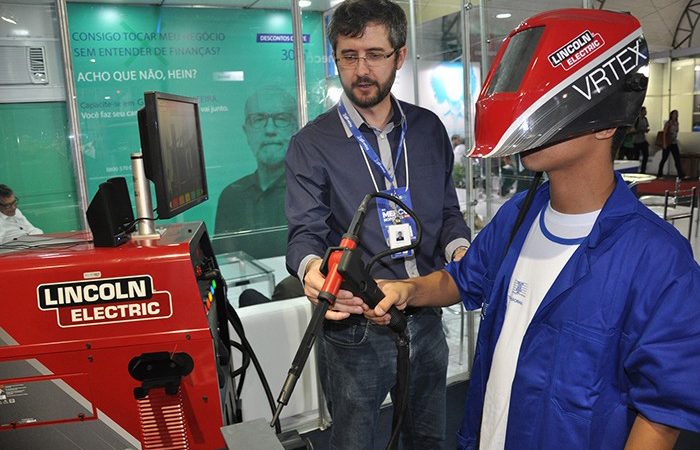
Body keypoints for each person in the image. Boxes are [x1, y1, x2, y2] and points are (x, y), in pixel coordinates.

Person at [371, 10, 700, 450]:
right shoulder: (518, 216)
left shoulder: (660, 261)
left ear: (605, 123)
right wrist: (407, 290)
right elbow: (463, 279)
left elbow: (661, 412)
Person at [285, 1, 471, 448]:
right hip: (356, 329)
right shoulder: (312, 144)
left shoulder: (428, 130)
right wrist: (312, 272)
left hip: (426, 315)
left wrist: (462, 252)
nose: (361, 70)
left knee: (427, 438)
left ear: (400, 56)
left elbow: (448, 214)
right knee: (355, 442)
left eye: (374, 54)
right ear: (335, 58)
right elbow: (304, 234)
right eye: (349, 56)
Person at [215, 87, 296, 257]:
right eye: (258, 119)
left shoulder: (311, 192)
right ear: (246, 132)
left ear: (295, 128)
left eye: (281, 118)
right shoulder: (231, 197)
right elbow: (225, 264)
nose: (270, 130)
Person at [657, 109, 686, 178]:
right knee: (664, 158)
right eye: (675, 114)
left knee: (677, 158)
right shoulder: (668, 123)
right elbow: (664, 133)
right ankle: (659, 173)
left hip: (674, 142)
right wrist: (664, 143)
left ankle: (680, 174)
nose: (676, 115)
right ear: (671, 115)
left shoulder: (676, 123)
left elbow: (676, 132)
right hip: (668, 142)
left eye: (677, 114)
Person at [632, 106, 650, 173]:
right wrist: (640, 130)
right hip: (636, 140)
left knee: (646, 155)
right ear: (641, 112)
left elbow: (647, 126)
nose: (645, 112)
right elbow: (632, 130)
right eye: (644, 111)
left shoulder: (645, 119)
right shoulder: (637, 119)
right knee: (636, 157)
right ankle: (635, 171)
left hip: (643, 140)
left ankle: (643, 170)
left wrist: (646, 130)